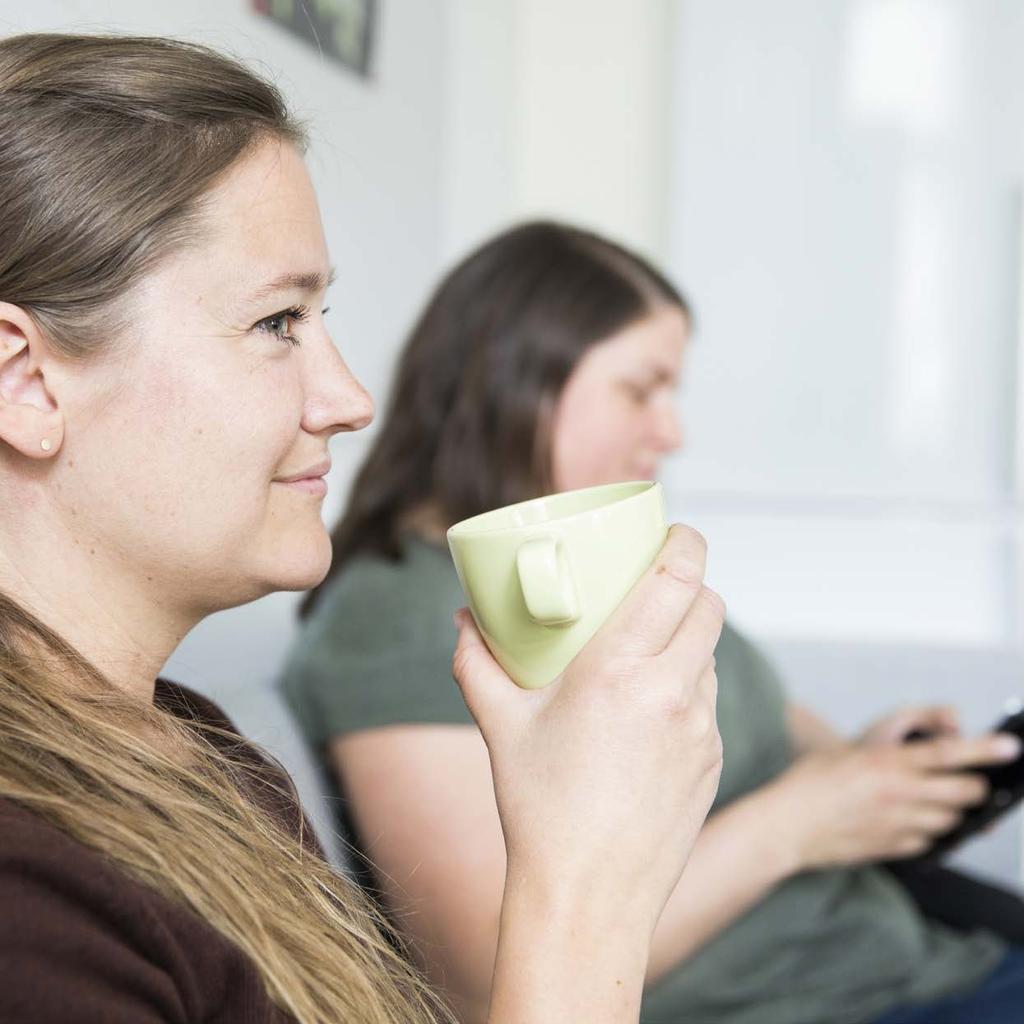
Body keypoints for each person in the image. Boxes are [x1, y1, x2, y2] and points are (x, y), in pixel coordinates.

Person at [0, 34, 726, 1024]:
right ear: (26, 382)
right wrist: (585, 885)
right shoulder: (27, 893)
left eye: (319, 315)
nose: (349, 400)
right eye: (276, 323)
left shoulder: (203, 751)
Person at [283, 220, 1024, 1024]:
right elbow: (490, 968)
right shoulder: (398, 612)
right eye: (642, 389)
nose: (671, 433)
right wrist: (802, 822)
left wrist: (864, 768)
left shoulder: (594, 563)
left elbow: (751, 720)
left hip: (924, 962)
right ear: (514, 381)